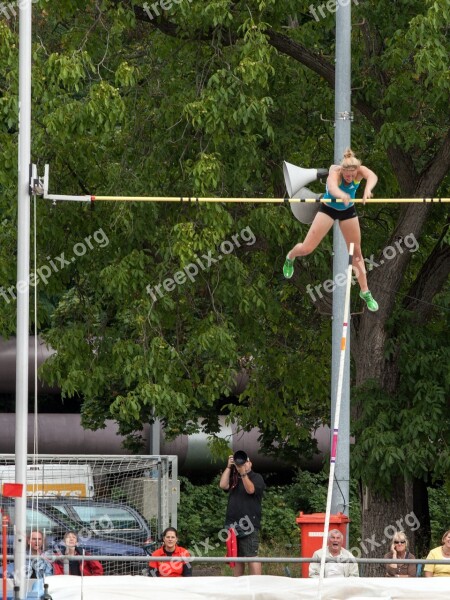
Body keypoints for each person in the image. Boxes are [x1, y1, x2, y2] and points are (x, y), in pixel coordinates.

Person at [283, 148, 379, 312]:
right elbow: (333, 188)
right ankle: (290, 256)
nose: (349, 178)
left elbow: (372, 176)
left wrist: (368, 189)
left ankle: (365, 292)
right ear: (342, 170)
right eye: (346, 175)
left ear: (356, 171)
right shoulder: (335, 171)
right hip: (328, 209)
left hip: (348, 211)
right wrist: (341, 194)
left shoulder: (359, 170)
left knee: (357, 253)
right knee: (307, 248)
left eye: (352, 175)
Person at [219, 451, 266, 576]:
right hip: (232, 524)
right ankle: (238, 587)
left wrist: (243, 473)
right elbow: (223, 485)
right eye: (239, 463)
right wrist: (229, 466)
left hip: (249, 524)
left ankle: (256, 586)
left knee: (251, 556)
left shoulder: (257, 477)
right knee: (236, 557)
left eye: (245, 462)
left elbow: (251, 490)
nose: (241, 464)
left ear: (250, 463)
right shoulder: (234, 477)